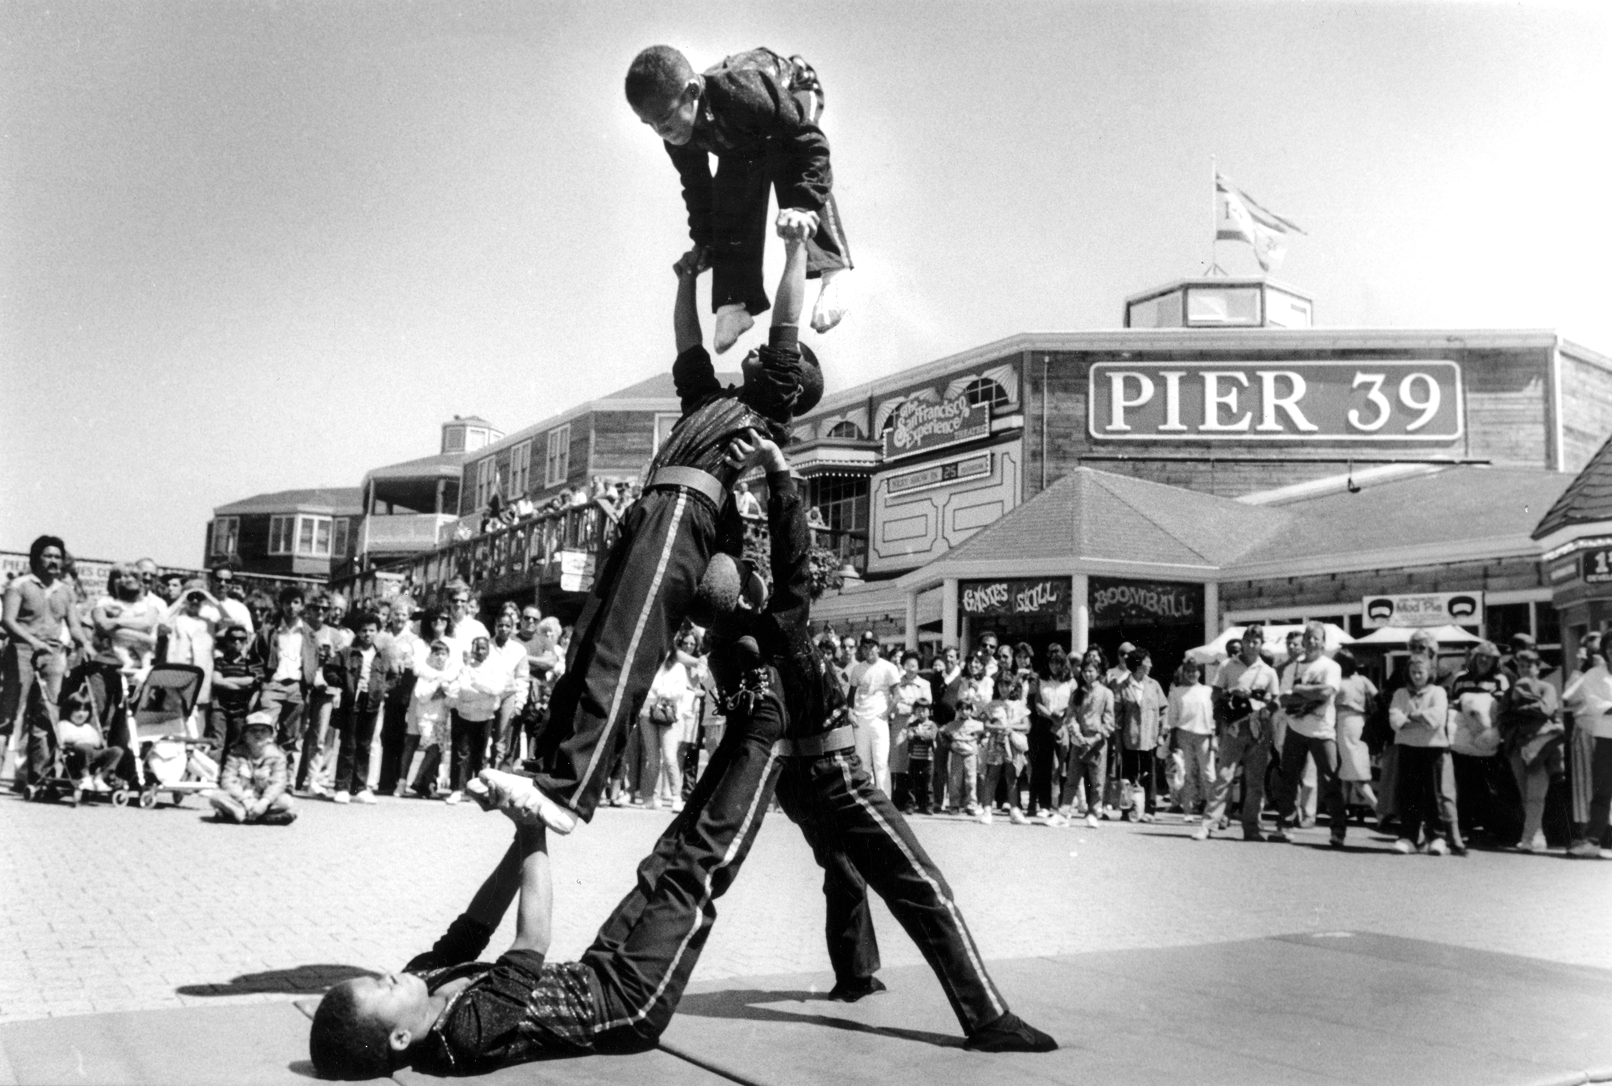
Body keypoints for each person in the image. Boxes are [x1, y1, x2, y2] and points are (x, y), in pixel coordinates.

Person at [523, 235, 820, 833]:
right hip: (650, 507)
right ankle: (547, 767)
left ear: (795, 383)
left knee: (625, 646)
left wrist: (796, 251)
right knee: (591, 639)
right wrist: (686, 277)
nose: (764, 348)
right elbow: (688, 342)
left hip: (687, 506)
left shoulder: (771, 406)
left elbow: (787, 320)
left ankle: (569, 790)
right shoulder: (714, 401)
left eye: (780, 353)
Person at [626, 45, 850, 352]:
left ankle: (833, 272)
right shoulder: (676, 136)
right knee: (730, 185)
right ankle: (734, 304)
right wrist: (704, 244)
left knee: (788, 159)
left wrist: (803, 204)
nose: (661, 131)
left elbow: (808, 143)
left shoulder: (742, 93)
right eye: (649, 124)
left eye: (664, 118)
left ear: (692, 91)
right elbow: (697, 189)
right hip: (746, 132)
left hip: (791, 95)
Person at [3, 536, 89, 787]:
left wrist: (84, 642)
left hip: (52, 656)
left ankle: (37, 778)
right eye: (48, 555)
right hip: (20, 652)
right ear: (36, 558)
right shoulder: (19, 585)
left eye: (57, 557)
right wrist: (32, 640)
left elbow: (73, 624)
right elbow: (8, 620)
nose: (53, 561)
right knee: (8, 715)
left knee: (45, 715)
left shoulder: (66, 591)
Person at [1197, 624, 1281, 842]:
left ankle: (1251, 827)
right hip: (1233, 727)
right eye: (1248, 641)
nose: (1252, 645)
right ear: (1242, 642)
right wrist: (1232, 692)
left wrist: (1263, 707)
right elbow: (1214, 695)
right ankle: (1208, 824)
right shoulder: (1227, 666)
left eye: (1256, 641)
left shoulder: (1268, 671)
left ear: (1262, 644)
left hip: (1258, 729)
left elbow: (1276, 700)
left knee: (1255, 781)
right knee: (1224, 777)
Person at [1270, 622, 1347, 846]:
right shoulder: (1292, 667)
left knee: (1330, 780)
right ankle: (1285, 826)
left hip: (1322, 731)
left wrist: (1300, 690)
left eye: (1317, 638)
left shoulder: (1331, 666)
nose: (1312, 642)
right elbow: (1284, 698)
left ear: (1324, 642)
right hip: (1295, 730)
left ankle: (1338, 831)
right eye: (1309, 637)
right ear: (1303, 641)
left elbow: (1327, 692)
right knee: (1289, 780)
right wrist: (1307, 695)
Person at [1389, 653, 1464, 855]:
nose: (1416, 676)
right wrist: (1417, 720)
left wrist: (1410, 718)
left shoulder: (1438, 692)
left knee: (1434, 794)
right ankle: (1408, 837)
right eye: (1413, 672)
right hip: (1408, 748)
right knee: (1409, 794)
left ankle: (1437, 838)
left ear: (1429, 672)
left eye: (1420, 672)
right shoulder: (1400, 693)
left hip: (1433, 749)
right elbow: (1395, 719)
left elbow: (1437, 717)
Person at [329, 612, 398, 805]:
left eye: (371, 630)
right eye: (363, 630)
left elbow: (394, 677)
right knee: (348, 743)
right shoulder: (347, 652)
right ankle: (342, 787)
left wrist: (382, 689)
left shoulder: (383, 655)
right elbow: (329, 670)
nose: (367, 634)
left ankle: (360, 787)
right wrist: (344, 683)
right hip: (352, 702)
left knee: (365, 745)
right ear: (358, 632)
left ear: (377, 632)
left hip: (372, 703)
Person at [1499, 649, 1564, 852]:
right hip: (1517, 746)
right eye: (1522, 665)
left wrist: (1519, 708)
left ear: (1538, 668)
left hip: (1540, 745)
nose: (1525, 669)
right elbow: (1502, 716)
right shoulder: (1510, 691)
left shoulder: (1547, 687)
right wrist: (1526, 711)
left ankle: (1527, 838)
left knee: (1536, 793)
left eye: (1530, 665)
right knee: (1526, 793)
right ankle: (1537, 835)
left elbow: (1545, 710)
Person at [1448, 641, 1513, 845]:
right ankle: (1464, 826)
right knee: (1463, 783)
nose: (1484, 660)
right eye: (1481, 656)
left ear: (1495, 660)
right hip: (1463, 741)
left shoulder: (1500, 680)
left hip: (1487, 741)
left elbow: (1502, 708)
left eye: (1489, 657)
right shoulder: (1460, 679)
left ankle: (1490, 826)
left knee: (1487, 785)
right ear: (1474, 658)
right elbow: (1453, 705)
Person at [249, 585, 319, 763]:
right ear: (281, 604)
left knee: (289, 736)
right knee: (264, 730)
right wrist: (261, 680)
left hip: (297, 688)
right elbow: (255, 657)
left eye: (296, 602)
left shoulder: (309, 634)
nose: (291, 607)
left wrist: (308, 681)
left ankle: (283, 779)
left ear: (302, 606)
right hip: (274, 686)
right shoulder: (270, 630)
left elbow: (314, 659)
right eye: (287, 602)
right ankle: (259, 772)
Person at [1561, 634, 1612, 859]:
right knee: (1602, 792)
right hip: (1605, 739)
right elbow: (1593, 704)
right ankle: (1592, 841)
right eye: (1610, 647)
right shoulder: (1593, 675)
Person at [209, 711, 297, 826]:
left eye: (263, 731)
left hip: (263, 799)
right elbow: (227, 780)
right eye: (253, 730)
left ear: (271, 736)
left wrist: (264, 803)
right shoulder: (235, 754)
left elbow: (278, 783)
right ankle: (260, 817)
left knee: (286, 801)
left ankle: (237, 816)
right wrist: (244, 800)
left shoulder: (278, 756)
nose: (258, 734)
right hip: (240, 800)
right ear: (245, 736)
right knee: (215, 797)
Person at [637, 641, 695, 810]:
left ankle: (676, 797)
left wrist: (661, 693)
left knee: (670, 757)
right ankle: (650, 797)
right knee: (652, 759)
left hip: (668, 715)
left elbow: (679, 692)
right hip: (647, 714)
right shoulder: (649, 665)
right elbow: (643, 688)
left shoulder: (678, 667)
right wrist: (659, 693)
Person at [1111, 648, 1166, 822]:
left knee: (1150, 775)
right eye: (1147, 662)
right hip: (1130, 739)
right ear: (1137, 665)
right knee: (1128, 776)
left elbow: (1164, 709)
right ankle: (1128, 810)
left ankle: (1149, 810)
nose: (1150, 665)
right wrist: (1118, 740)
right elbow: (1116, 716)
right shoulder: (1123, 687)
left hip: (1150, 738)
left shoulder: (1154, 685)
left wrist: (1162, 731)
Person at [446, 637, 502, 805]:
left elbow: (497, 688)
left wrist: (477, 684)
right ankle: (458, 789)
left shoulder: (495, 668)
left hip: (485, 717)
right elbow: (463, 689)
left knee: (480, 754)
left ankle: (480, 791)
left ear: (488, 650)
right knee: (462, 753)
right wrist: (485, 691)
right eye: (476, 648)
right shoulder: (465, 669)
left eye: (483, 648)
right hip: (465, 715)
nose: (479, 651)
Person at [846, 632, 901, 794]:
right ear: (861, 649)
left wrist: (885, 713)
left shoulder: (889, 668)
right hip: (861, 720)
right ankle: (868, 798)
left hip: (879, 720)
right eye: (865, 646)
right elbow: (851, 696)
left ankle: (885, 800)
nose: (868, 650)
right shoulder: (857, 669)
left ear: (878, 647)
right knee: (863, 763)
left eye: (872, 646)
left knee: (881, 762)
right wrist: (850, 713)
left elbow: (897, 694)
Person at [1166, 660, 1215, 821]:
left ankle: (1212, 811)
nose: (1191, 673)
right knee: (1186, 773)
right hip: (1183, 734)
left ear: (1200, 672)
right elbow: (1172, 717)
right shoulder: (1176, 692)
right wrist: (1173, 739)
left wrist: (1213, 737)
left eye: (1194, 670)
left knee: (1208, 774)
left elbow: (1212, 716)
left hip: (1204, 735)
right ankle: (1188, 810)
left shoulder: (1208, 691)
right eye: (1188, 670)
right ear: (1183, 672)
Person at [1333, 648, 1379, 814]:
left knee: (1352, 769)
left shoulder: (1338, 682)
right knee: (1350, 766)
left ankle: (1377, 807)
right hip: (1362, 722)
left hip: (1345, 723)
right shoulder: (1363, 680)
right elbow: (1378, 697)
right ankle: (1344, 806)